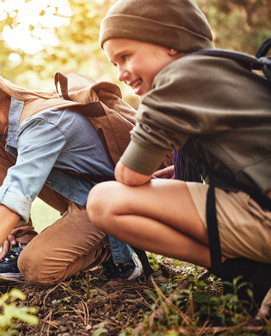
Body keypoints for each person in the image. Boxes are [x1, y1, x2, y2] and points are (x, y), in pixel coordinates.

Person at [0, 53, 142, 307]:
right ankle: (24, 242)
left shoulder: (41, 123)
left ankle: (118, 245)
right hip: (84, 199)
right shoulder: (5, 137)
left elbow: (13, 198)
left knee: (36, 267)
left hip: (113, 205)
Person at [87, 0, 271, 311]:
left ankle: (238, 267)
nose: (121, 74)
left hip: (263, 217)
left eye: (125, 56)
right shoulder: (229, 69)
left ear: (171, 44)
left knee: (104, 200)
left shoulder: (176, 82)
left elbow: (129, 175)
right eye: (114, 64)